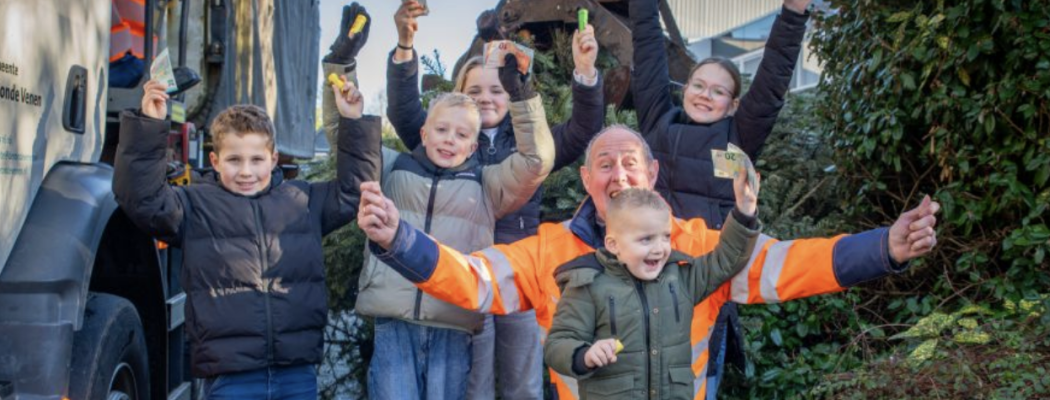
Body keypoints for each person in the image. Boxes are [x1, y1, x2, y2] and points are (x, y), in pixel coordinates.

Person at [356, 125, 940, 400]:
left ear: (653, 174)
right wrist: (397, 238)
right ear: (586, 180)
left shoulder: (699, 246)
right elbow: (475, 279)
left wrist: (884, 247)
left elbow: (788, 264)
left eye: (631, 162)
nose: (620, 174)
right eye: (605, 165)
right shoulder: (549, 251)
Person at [383, 2, 606, 398]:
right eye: (474, 91)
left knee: (524, 384)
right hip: (468, 276)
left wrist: (586, 71)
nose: (485, 98)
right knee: (475, 386)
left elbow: (583, 129)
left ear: (512, 92)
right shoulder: (446, 141)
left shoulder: (532, 142)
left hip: (521, 276)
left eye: (496, 89)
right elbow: (403, 110)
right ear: (459, 96)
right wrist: (404, 46)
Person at [113, 79, 380, 398]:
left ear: (273, 158)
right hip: (230, 377)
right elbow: (142, 200)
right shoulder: (194, 205)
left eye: (256, 160)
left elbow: (356, 191)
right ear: (215, 161)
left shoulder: (303, 201)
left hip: (296, 372)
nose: (246, 172)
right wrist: (149, 124)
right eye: (234, 160)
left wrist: (353, 120)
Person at [629, 0, 814, 393]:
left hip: (706, 283)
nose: (704, 95)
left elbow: (772, 81)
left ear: (733, 105)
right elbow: (647, 51)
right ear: (685, 89)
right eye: (698, 85)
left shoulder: (738, 137)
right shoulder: (657, 123)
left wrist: (793, 14)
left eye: (718, 91)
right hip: (645, 278)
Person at [345, 54, 555, 399]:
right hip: (394, 322)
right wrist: (348, 105)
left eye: (460, 135)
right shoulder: (395, 167)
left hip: (453, 324)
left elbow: (536, 161)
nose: (448, 140)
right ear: (424, 133)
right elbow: (350, 152)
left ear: (473, 146)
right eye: (441, 130)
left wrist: (521, 95)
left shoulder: (487, 185)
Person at [545, 180, 760, 399]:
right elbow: (557, 344)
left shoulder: (680, 278)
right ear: (613, 244)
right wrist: (584, 355)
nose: (659, 249)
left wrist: (744, 212)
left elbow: (726, 259)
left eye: (666, 237)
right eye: (646, 239)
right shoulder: (588, 285)